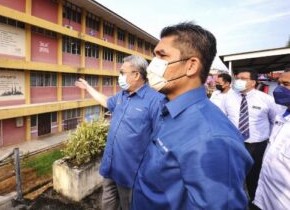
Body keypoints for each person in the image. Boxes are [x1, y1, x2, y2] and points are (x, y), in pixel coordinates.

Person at [132, 22, 253, 209]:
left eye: (162, 56)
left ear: (191, 66)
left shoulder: (213, 138)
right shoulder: (168, 109)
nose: (152, 64)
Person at [75, 55, 164, 210]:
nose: (119, 77)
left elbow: (160, 139)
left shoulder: (156, 100)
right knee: (108, 201)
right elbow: (105, 101)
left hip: (130, 172)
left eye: (122, 72)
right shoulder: (122, 95)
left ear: (136, 75)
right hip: (110, 165)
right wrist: (88, 88)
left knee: (128, 205)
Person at [220, 68, 279, 208]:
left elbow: (274, 121)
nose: (238, 81)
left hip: (257, 146)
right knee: (233, 176)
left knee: (255, 178)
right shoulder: (228, 97)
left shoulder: (267, 99)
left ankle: (254, 202)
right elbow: (222, 119)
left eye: (243, 78)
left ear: (253, 82)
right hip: (234, 144)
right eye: (237, 78)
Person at [253, 68, 290, 209]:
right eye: (279, 83)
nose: (279, 89)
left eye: (286, 84)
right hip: (265, 198)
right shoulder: (281, 114)